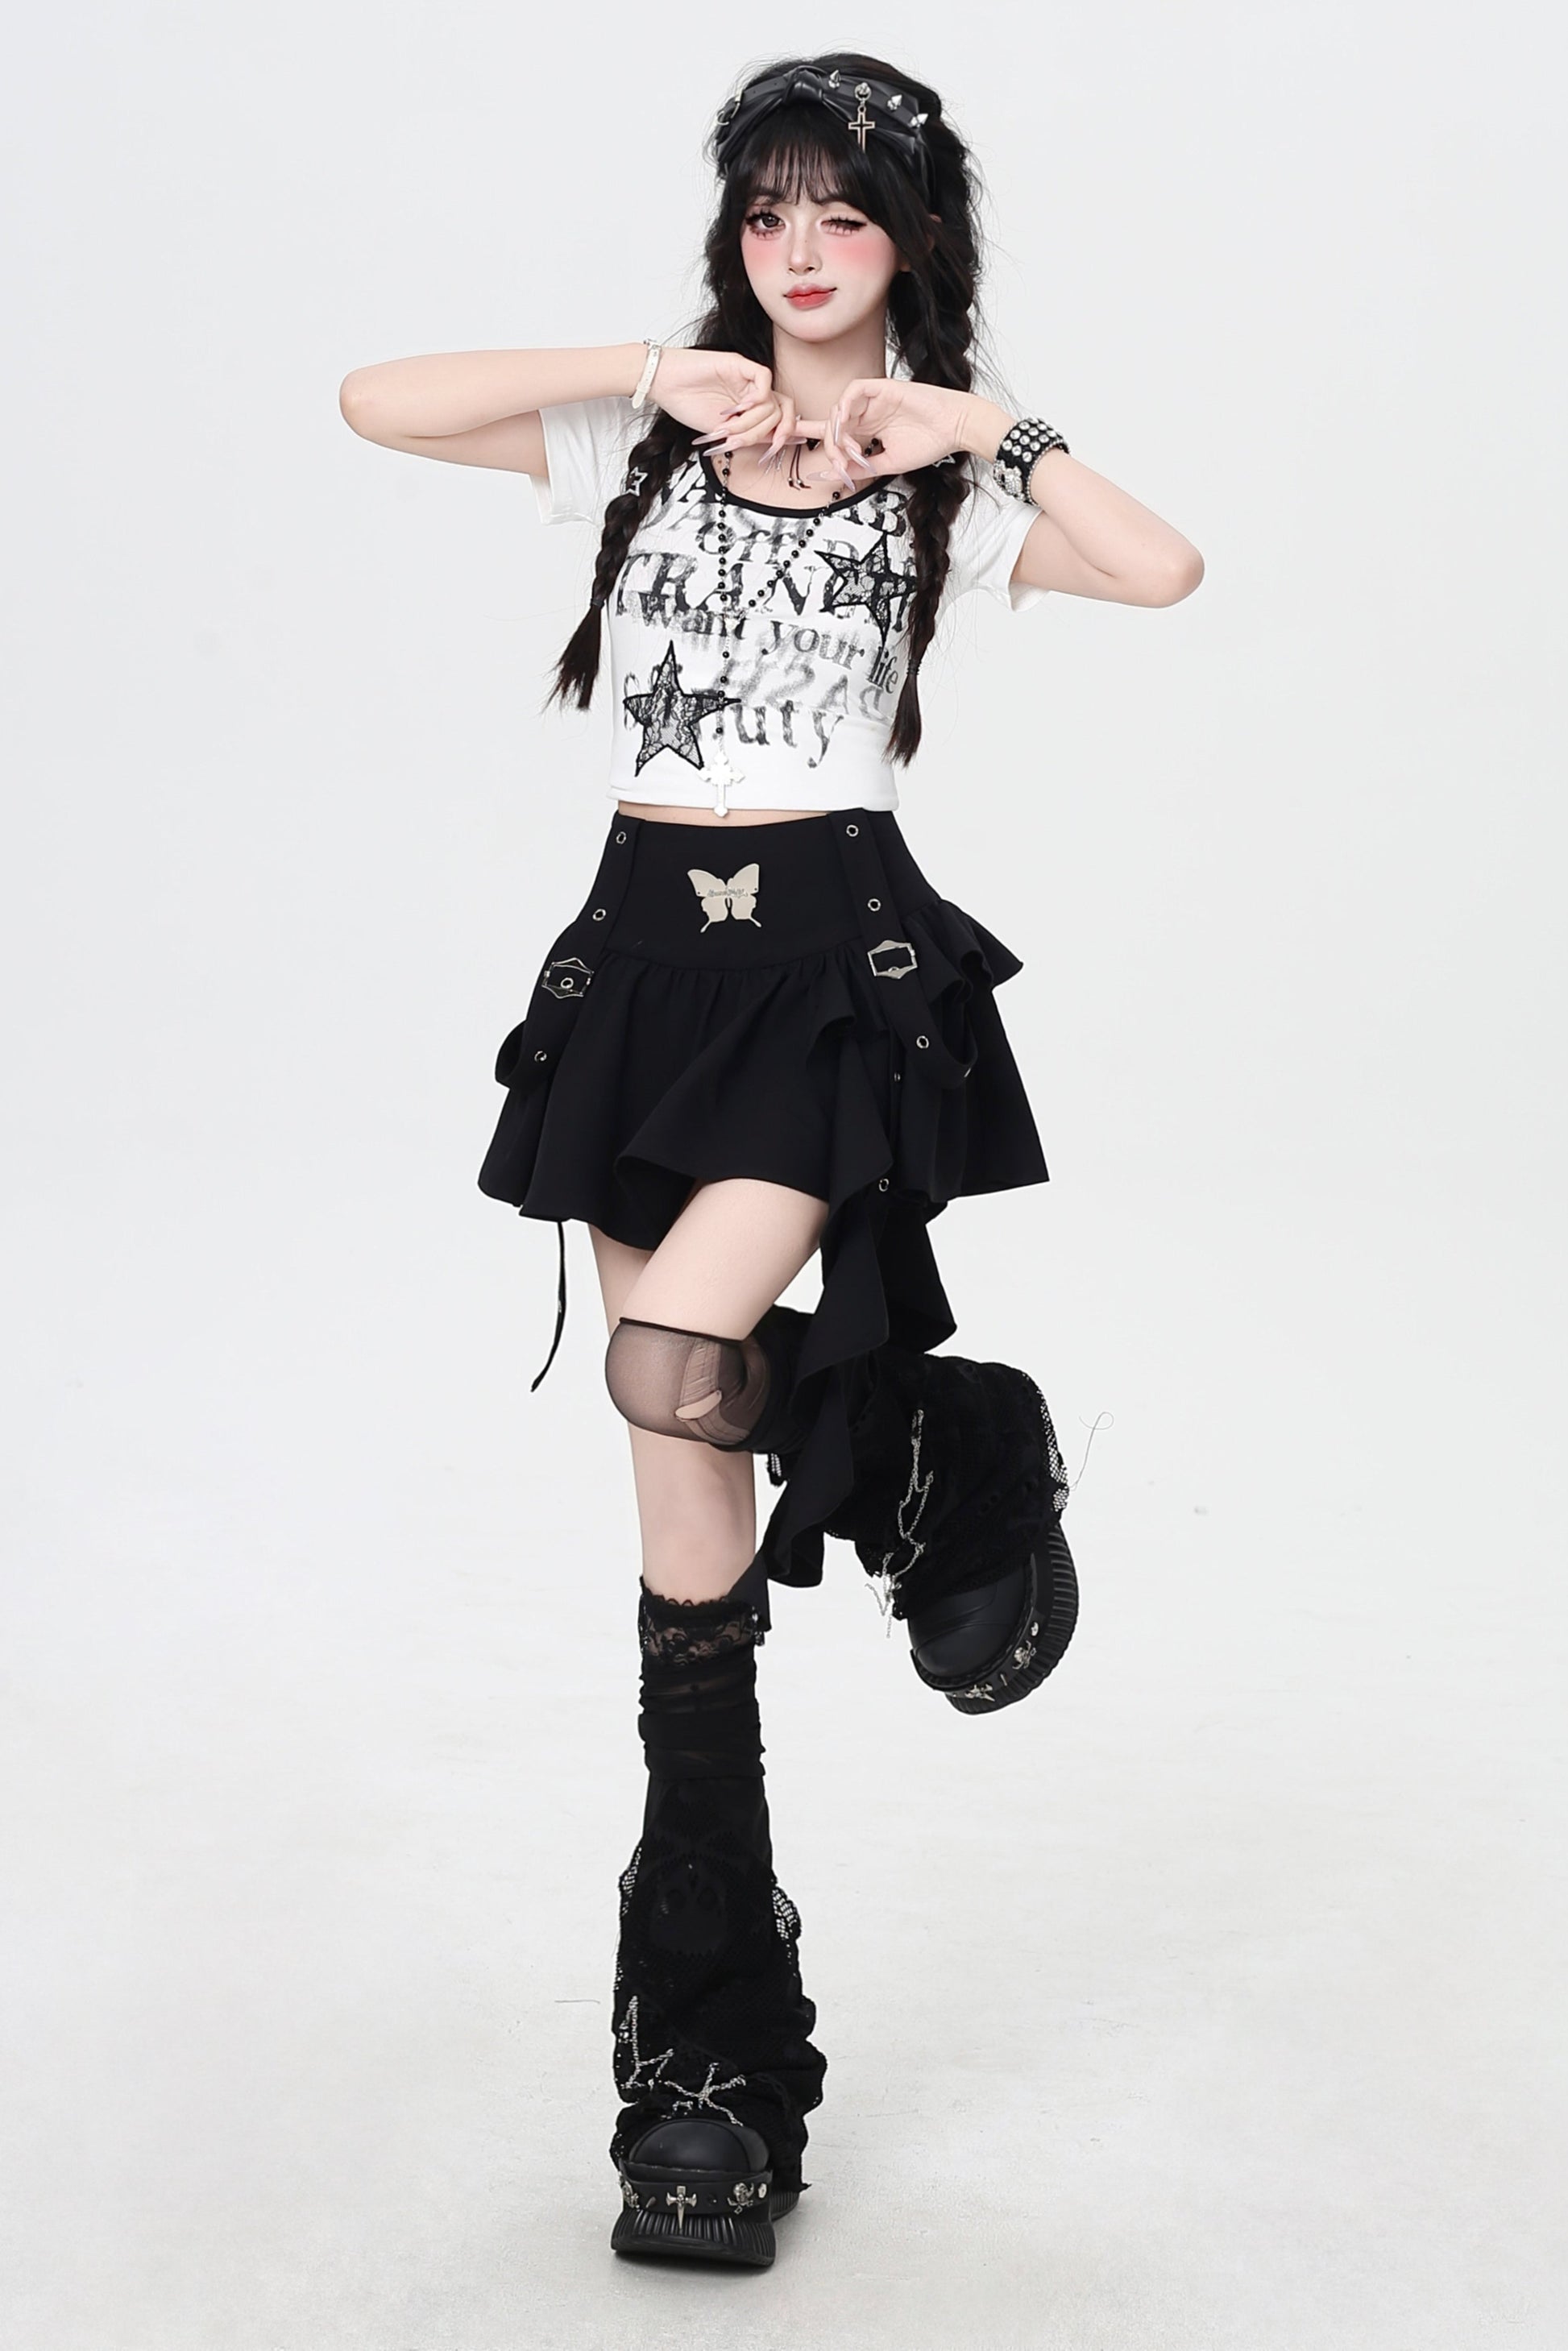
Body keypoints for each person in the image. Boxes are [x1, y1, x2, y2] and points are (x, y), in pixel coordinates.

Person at [339, 50, 1203, 2270]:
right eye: (768, 212)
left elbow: (1164, 566)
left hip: (828, 966)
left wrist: (984, 430)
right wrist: (653, 374)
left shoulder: (935, 477)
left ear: (910, 239)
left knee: (679, 1352)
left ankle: (931, 1441)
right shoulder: (650, 440)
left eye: (844, 213)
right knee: (683, 1546)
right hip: (640, 969)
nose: (803, 251)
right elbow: (375, 400)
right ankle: (710, 2075)